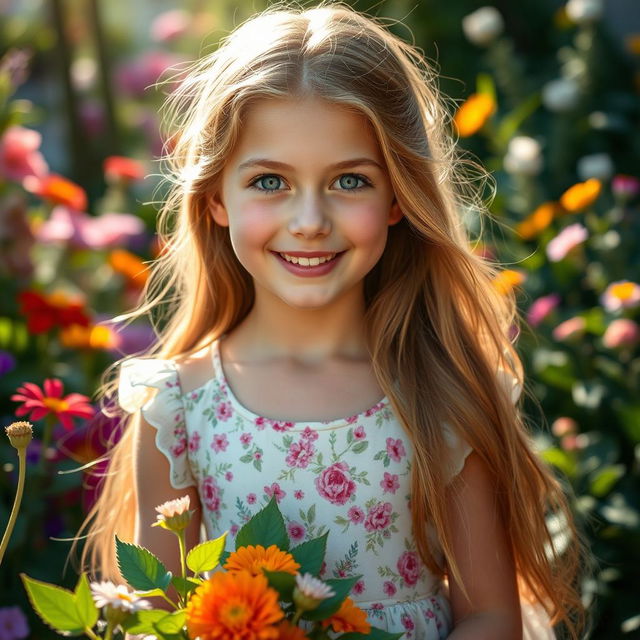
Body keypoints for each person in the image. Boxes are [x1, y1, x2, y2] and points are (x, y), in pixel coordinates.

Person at [80, 3, 590, 638]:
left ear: (399, 197)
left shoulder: (440, 391)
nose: (311, 221)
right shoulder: (177, 406)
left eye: (350, 180)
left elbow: (489, 615)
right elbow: (152, 615)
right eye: (270, 182)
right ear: (215, 198)